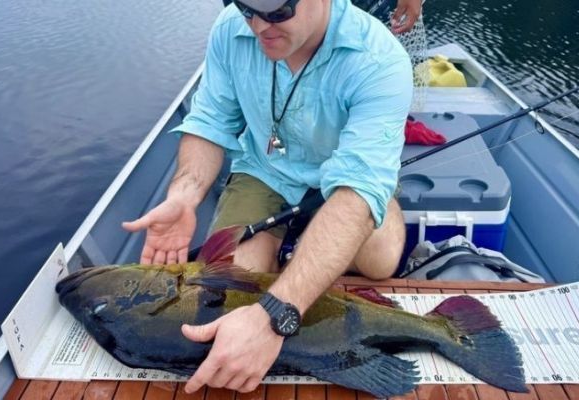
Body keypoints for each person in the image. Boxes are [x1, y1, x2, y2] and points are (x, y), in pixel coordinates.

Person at [122, 0, 414, 394]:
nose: (259, 26)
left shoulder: (380, 59)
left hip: (346, 182)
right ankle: (299, 257)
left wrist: (277, 314)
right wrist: (185, 194)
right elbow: (210, 122)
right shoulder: (230, 29)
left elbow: (358, 188)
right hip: (265, 170)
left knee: (379, 264)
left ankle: (374, 213)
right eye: (245, 7)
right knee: (229, 289)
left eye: (277, 11)